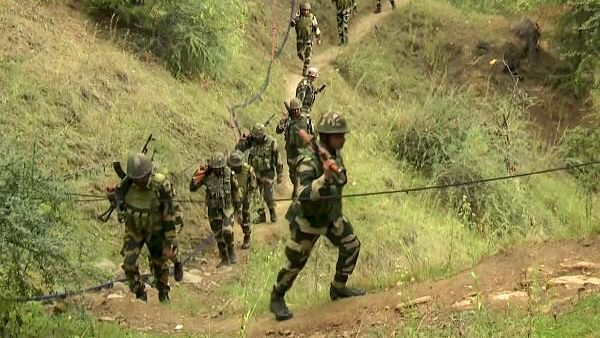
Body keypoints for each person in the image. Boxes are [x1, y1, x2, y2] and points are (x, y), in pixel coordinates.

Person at [269, 111, 364, 321]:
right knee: (296, 262)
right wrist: (324, 178)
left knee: (351, 245)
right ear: (327, 136)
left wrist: (334, 173)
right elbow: (302, 194)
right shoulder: (307, 161)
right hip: (308, 220)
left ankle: (338, 288)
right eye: (339, 135)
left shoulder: (333, 154)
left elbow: (341, 179)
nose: (343, 139)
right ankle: (277, 296)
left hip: (330, 215)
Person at [109, 153, 183, 303]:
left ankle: (164, 290)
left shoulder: (161, 185)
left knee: (159, 263)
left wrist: (169, 242)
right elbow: (121, 209)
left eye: (142, 177)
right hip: (134, 229)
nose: (139, 181)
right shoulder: (126, 185)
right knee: (129, 264)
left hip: (156, 230)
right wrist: (113, 199)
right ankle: (139, 293)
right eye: (136, 178)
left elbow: (169, 215)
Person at [190, 152, 242, 267]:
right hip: (213, 211)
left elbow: (236, 191)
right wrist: (197, 175)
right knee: (218, 235)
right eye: (215, 168)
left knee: (227, 230)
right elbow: (193, 188)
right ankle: (224, 257)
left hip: (227, 208)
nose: (217, 170)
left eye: (219, 168)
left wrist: (239, 209)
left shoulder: (229, 174)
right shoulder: (207, 175)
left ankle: (232, 252)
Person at [236, 123, 284, 223]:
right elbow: (239, 149)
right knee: (256, 194)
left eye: (257, 136)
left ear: (263, 135)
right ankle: (260, 215)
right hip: (254, 172)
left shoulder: (272, 142)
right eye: (254, 136)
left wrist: (280, 174)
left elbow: (277, 158)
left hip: (268, 172)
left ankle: (272, 211)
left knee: (268, 194)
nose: (256, 138)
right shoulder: (251, 141)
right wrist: (242, 141)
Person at [276, 98, 312, 199]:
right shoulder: (288, 120)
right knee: (293, 174)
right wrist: (284, 120)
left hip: (304, 151)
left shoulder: (307, 120)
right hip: (291, 152)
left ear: (300, 109)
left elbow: (313, 133)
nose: (296, 111)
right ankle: (296, 186)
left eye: (298, 109)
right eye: (294, 109)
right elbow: (278, 130)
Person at [228, 150, 258, 249]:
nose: (235, 167)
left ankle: (247, 236)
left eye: (237, 165)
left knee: (245, 218)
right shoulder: (228, 171)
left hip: (245, 197)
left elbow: (253, 186)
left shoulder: (248, 170)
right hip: (232, 197)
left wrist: (248, 199)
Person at [290, 2, 322, 76]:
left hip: (309, 39)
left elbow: (316, 28)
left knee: (307, 56)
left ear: (309, 10)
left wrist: (318, 38)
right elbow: (293, 22)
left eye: (307, 10)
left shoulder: (312, 17)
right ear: (301, 10)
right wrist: (293, 22)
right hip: (300, 39)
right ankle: (304, 61)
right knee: (299, 54)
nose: (305, 11)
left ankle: (305, 69)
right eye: (304, 10)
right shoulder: (298, 15)